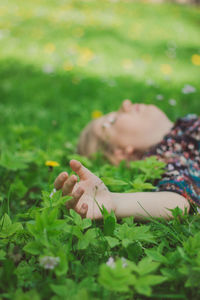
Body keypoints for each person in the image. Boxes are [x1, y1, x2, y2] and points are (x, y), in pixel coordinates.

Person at [54, 100, 200, 220]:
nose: (125, 104)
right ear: (122, 152)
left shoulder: (186, 125)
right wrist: (116, 202)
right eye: (112, 120)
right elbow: (177, 200)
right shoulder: (170, 155)